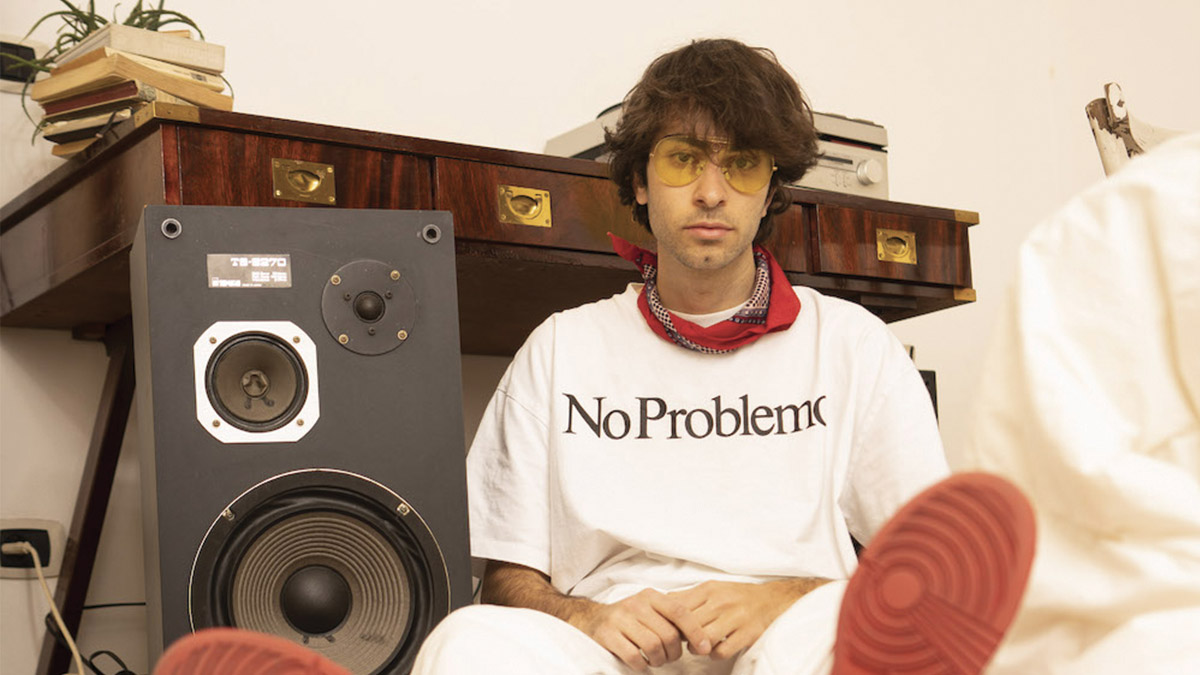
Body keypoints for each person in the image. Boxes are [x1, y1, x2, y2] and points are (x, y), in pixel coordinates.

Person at [411, 38, 992, 674]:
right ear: (640, 181)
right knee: (467, 638)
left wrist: (783, 599)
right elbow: (507, 579)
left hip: (790, 638)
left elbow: (923, 566)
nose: (711, 192)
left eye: (741, 164)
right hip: (611, 649)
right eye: (683, 159)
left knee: (842, 633)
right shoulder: (560, 347)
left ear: (770, 189)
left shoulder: (853, 343)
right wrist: (589, 617)